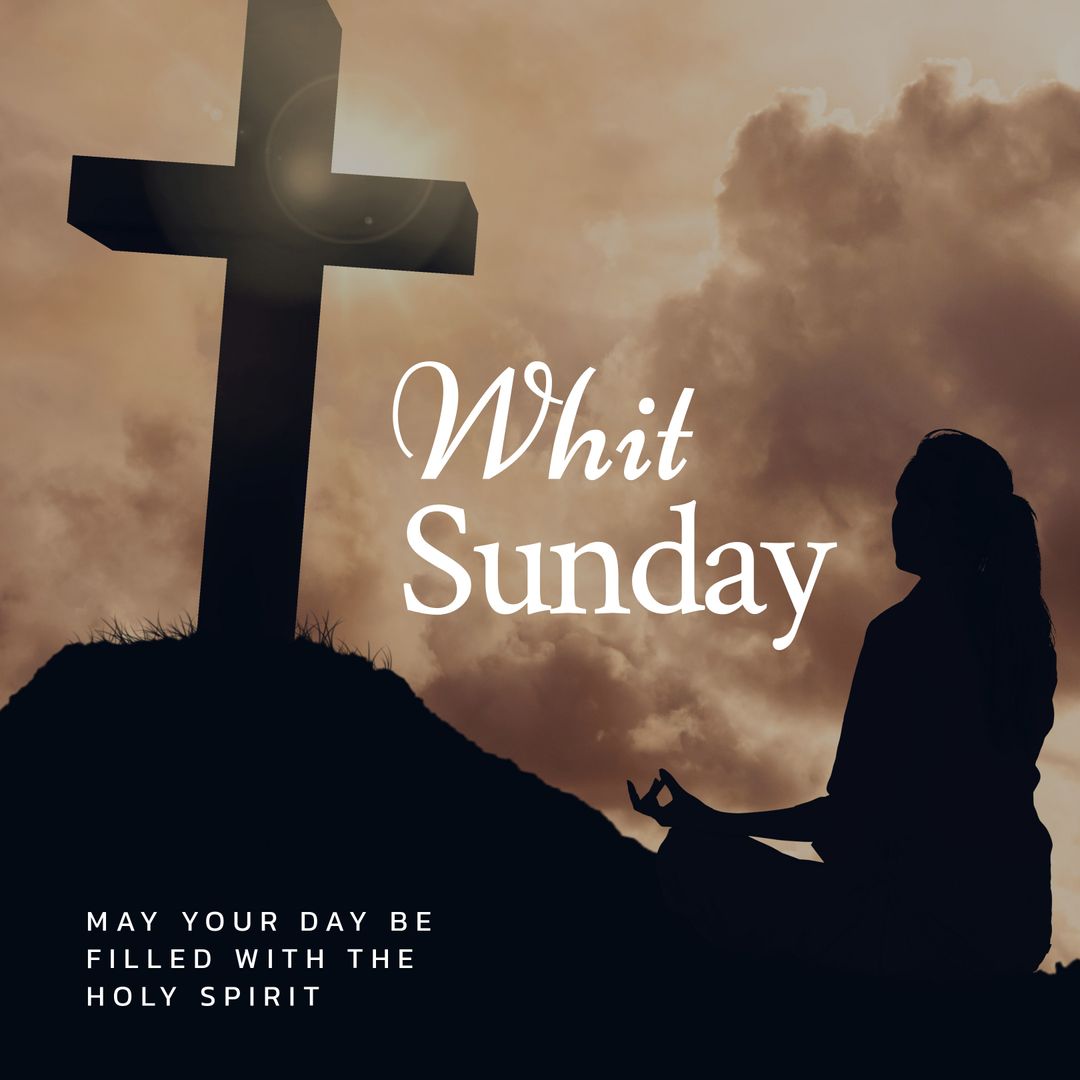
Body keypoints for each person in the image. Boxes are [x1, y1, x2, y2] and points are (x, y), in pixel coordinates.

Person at [629, 430, 1056, 978]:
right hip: (1016, 922)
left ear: (948, 520)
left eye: (912, 502)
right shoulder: (1023, 637)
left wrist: (713, 822)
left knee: (693, 858)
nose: (896, 517)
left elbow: (852, 815)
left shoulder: (903, 635)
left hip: (926, 924)